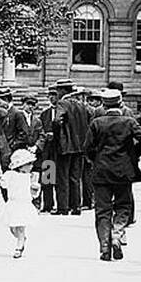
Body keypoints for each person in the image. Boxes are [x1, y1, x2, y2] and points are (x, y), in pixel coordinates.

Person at [84, 87, 141, 261]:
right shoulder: (129, 122)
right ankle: (117, 233)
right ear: (121, 103)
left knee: (102, 210)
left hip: (101, 171)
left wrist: (96, 159)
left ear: (104, 105)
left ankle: (104, 248)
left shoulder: (96, 123)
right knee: (123, 206)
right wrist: (134, 153)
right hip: (124, 171)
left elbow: (88, 148)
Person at [41, 79, 92, 215]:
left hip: (65, 146)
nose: (56, 93)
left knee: (62, 177)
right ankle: (76, 207)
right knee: (75, 178)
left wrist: (56, 134)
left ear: (63, 91)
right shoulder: (82, 105)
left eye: (57, 90)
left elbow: (57, 121)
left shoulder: (63, 103)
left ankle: (63, 207)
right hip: (79, 147)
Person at [1, 148, 38, 258]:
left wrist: (35, 189)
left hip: (24, 204)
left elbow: (34, 194)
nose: (31, 166)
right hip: (13, 203)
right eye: (29, 164)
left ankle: (19, 246)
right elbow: (4, 185)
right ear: (21, 165)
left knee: (21, 227)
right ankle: (21, 238)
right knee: (12, 228)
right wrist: (1, 179)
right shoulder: (10, 175)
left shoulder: (31, 177)